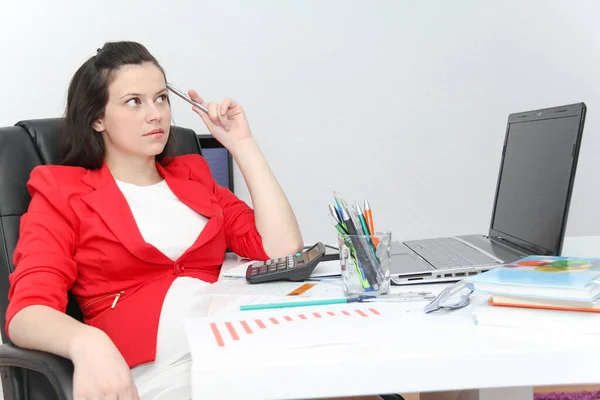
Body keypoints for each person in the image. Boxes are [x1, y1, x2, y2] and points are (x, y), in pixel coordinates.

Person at [5, 41, 401, 400]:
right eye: (134, 102)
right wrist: (86, 342)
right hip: (167, 371)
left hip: (244, 345)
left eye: (161, 98)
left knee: (366, 389)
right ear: (97, 119)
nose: (155, 114)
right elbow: (26, 314)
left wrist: (242, 144)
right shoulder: (62, 191)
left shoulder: (192, 177)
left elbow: (281, 246)